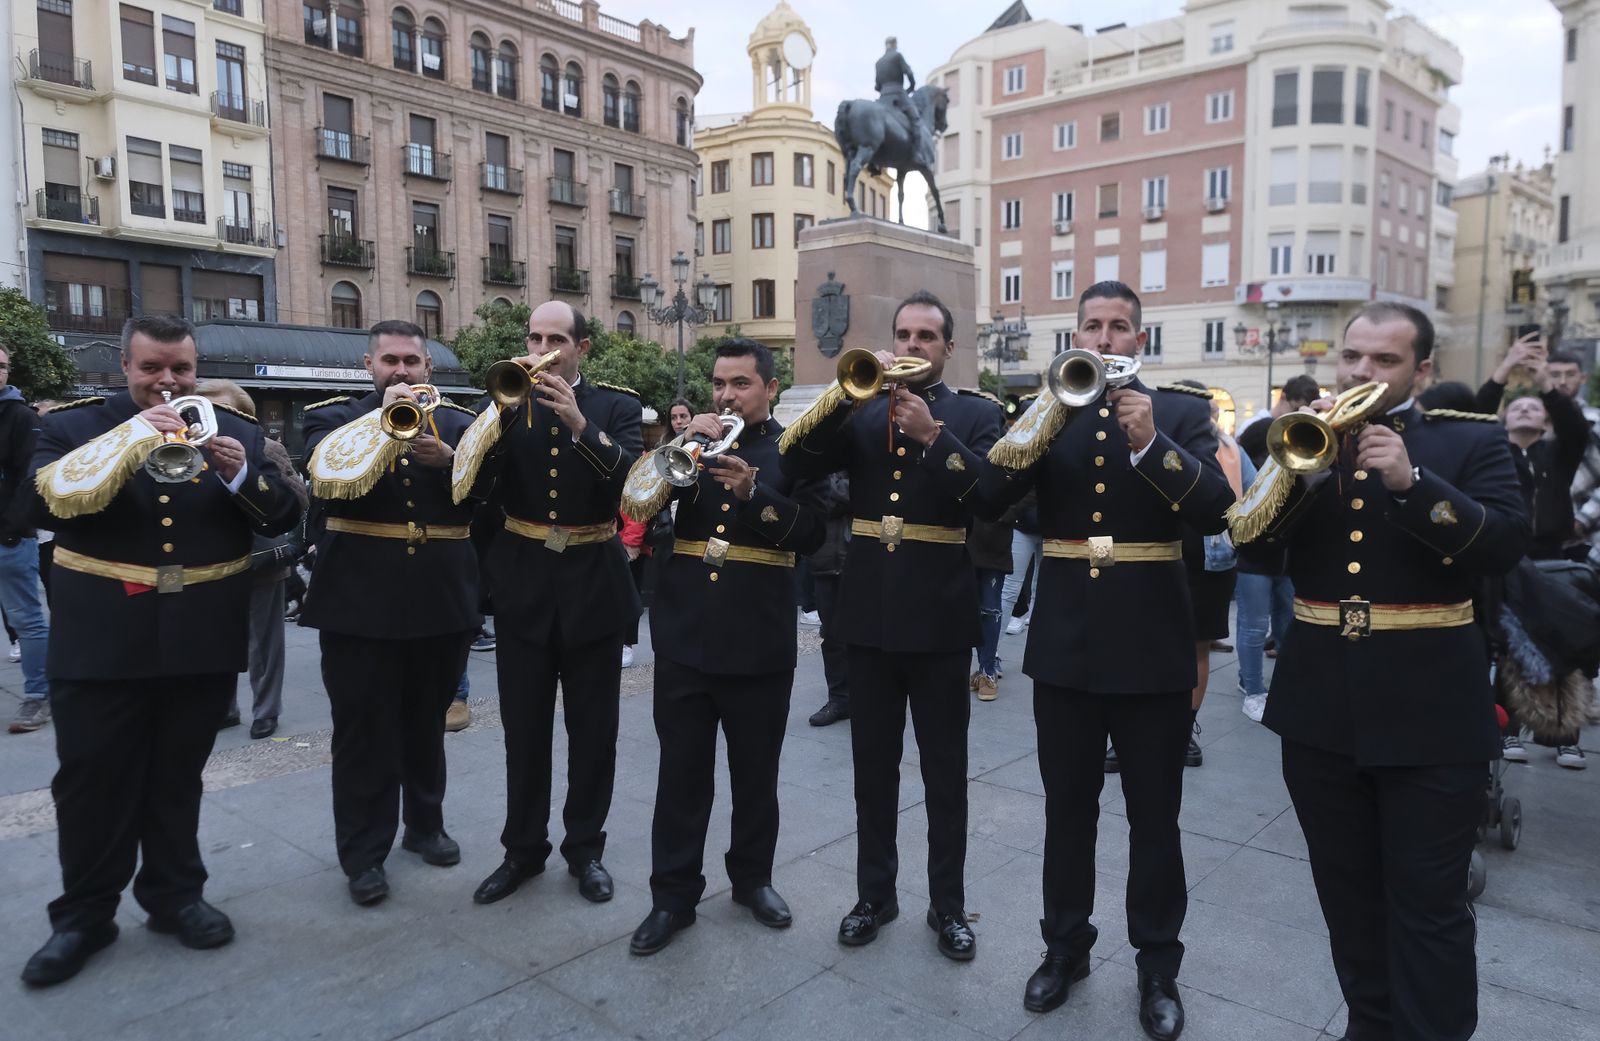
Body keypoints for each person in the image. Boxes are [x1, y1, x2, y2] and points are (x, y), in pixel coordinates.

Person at [1235, 302, 1528, 1041]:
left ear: (1422, 370)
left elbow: (1502, 547)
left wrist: (1413, 482)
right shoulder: (1307, 444)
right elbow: (1253, 552)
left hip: (1432, 714)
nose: (1363, 372)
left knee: (1429, 904)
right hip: (1321, 710)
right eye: (1353, 357)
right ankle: (1369, 1024)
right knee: (1347, 894)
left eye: (1385, 361)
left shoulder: (1469, 443)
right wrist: (1294, 478)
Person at [20, 315, 300, 986]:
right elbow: (38, 504)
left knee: (177, 779)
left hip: (199, 640)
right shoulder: (74, 426)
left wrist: (241, 477)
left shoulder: (232, 428)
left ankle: (175, 897)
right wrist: (130, 438)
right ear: (125, 366)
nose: (167, 381)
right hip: (101, 642)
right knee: (91, 783)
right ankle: (83, 915)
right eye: (152, 368)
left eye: (180, 368)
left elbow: (286, 516)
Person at [988, 282, 1234, 1039]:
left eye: (1118, 326)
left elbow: (1213, 508)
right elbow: (991, 495)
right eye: (1092, 325)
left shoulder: (1185, 412)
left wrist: (1148, 442)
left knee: (1155, 818)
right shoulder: (1050, 409)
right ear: (1076, 333)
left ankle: (1158, 964)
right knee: (1068, 811)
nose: (1105, 337)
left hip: (1153, 645)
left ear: (1141, 338)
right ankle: (1065, 948)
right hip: (1064, 647)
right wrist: (1039, 415)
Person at [780, 289, 1005, 962]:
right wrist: (842, 401)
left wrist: (933, 436)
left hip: (939, 617)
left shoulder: (976, 413)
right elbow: (794, 464)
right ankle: (875, 895)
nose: (911, 346)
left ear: (948, 347)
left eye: (926, 337)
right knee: (872, 769)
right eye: (903, 335)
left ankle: (947, 905)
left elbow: (992, 496)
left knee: (945, 772)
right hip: (869, 615)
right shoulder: (862, 407)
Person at [623, 338, 824, 954]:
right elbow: (633, 501)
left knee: (754, 775)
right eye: (719, 383)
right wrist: (679, 450)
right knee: (680, 776)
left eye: (740, 383)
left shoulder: (793, 449)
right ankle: (672, 897)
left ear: (769, 387)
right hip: (686, 637)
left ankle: (752, 881)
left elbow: (812, 533)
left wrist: (754, 494)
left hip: (757, 640)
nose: (726, 394)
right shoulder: (692, 448)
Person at [456, 301, 643, 908]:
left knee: (595, 731)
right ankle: (522, 851)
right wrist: (493, 426)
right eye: (535, 338)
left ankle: (586, 848)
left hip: (593, 583)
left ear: (582, 348)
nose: (542, 350)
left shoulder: (614, 404)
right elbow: (474, 494)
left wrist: (582, 426)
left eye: (556, 339)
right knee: (524, 730)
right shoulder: (505, 402)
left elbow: (635, 486)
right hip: (525, 587)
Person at [300, 321, 482, 905]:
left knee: (426, 722)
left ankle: (425, 826)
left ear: (428, 367)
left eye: (411, 361)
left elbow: (493, 497)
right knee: (362, 730)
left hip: (440, 595)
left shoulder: (460, 423)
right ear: (368, 365)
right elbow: (323, 478)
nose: (400, 371)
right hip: (358, 599)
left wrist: (449, 459)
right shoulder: (332, 418)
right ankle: (363, 852)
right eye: (389, 361)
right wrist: (383, 423)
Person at [197, 380, 307, 740]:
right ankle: (225, 707)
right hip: (212, 565)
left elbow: (297, 500)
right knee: (218, 640)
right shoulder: (188, 447)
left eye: (222, 410)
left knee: (266, 646)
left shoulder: (267, 446)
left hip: (262, 562)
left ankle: (266, 711)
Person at [1474, 334, 1587, 562]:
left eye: (1533, 408)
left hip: (1551, 553)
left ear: (1546, 423)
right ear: (1504, 422)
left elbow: (1574, 427)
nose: (1525, 410)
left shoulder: (1559, 454)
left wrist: (1545, 382)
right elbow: (1476, 415)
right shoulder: (1493, 454)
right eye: (1516, 408)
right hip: (1500, 551)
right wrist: (1507, 365)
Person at [0, 347, 52, 735]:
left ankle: (37, 696)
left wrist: (14, 528)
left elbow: (30, 480)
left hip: (9, 538)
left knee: (26, 619)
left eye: (1, 366)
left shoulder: (20, 417)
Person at [802, 472, 852, 725]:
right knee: (832, 635)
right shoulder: (820, 458)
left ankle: (867, 694)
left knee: (864, 636)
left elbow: (847, 494)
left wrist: (819, 487)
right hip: (825, 558)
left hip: (857, 559)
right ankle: (840, 698)